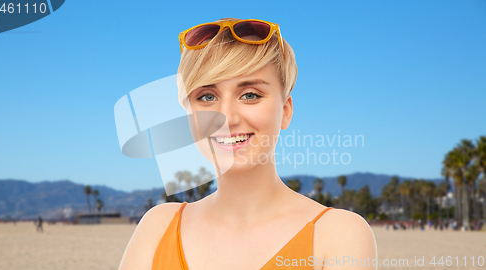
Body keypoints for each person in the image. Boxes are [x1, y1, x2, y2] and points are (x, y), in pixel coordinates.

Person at [118, 18, 377, 270]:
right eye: (207, 96)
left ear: (286, 110)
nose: (227, 118)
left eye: (250, 95)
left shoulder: (337, 235)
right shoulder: (158, 226)